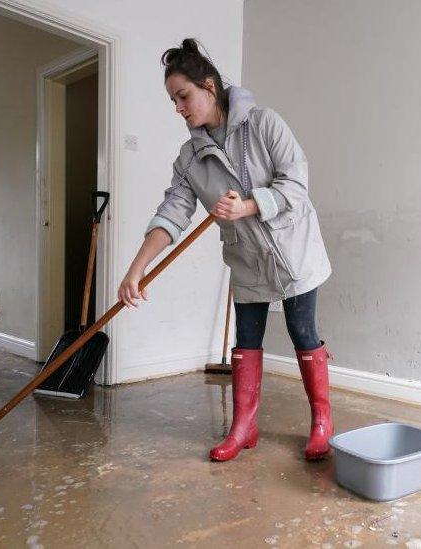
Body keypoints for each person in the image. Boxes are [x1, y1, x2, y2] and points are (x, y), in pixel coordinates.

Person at [117, 38, 334, 462]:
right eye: (173, 101)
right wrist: (135, 269)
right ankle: (244, 426)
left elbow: (296, 183)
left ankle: (321, 423)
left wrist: (249, 205)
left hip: (294, 251)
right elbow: (172, 213)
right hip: (247, 259)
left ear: (209, 86)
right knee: (246, 338)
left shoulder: (264, 123)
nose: (179, 108)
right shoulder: (189, 159)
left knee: (303, 333)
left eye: (183, 96)